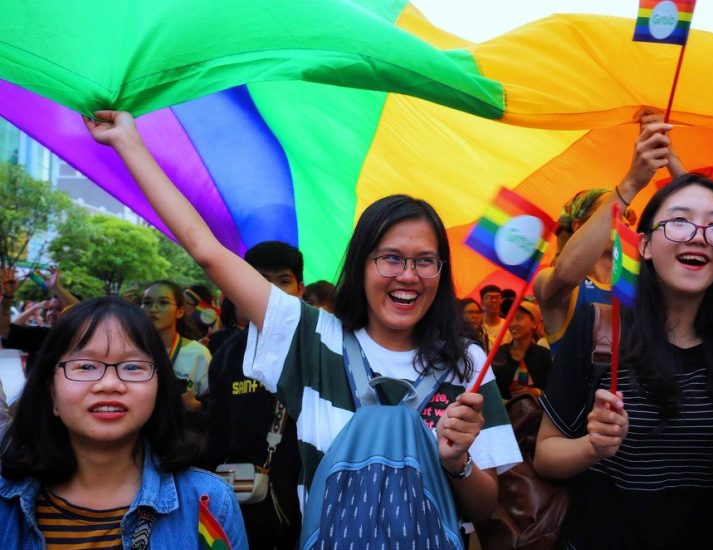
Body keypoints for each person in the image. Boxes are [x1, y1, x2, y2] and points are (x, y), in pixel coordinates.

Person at [85, 110, 520, 541]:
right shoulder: (313, 337)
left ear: (441, 272)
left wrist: (458, 461)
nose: (407, 275)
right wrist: (129, 142)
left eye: (425, 261)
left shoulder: (467, 365)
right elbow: (207, 251)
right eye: (390, 257)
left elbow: (483, 506)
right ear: (361, 266)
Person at [534, 174, 713, 549]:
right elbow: (546, 456)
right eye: (679, 221)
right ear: (643, 245)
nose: (698, 235)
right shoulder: (602, 329)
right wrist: (592, 445)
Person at [0, 297, 247, 548]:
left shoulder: (210, 502)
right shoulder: (6, 505)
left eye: (132, 366)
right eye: (85, 365)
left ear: (159, 389)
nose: (110, 384)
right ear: (51, 392)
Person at [533, 117, 684, 358]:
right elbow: (566, 272)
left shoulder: (642, 280)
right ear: (579, 226)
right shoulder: (548, 282)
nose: (625, 221)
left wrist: (671, 158)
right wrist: (631, 183)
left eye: (628, 215)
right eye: (614, 212)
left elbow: (699, 224)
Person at [205, 240, 305, 549]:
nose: (271, 291)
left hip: (309, 499)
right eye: (260, 280)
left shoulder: (321, 349)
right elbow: (216, 433)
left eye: (283, 281)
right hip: (243, 499)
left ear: (300, 289)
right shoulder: (227, 355)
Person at [140, 280, 211, 413]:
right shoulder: (130, 350)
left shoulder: (198, 353)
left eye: (163, 303)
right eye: (147, 303)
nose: (153, 309)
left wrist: (196, 406)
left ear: (180, 311)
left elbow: (214, 404)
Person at [1, 266, 79, 373]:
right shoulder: (42, 335)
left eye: (59, 309)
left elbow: (81, 313)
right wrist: (7, 297)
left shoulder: (81, 338)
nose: (51, 313)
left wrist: (56, 287)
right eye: (50, 308)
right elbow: (6, 329)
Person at [492, 299, 550, 400]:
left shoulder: (544, 356)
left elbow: (554, 391)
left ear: (534, 323)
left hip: (537, 413)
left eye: (518, 318)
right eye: (510, 319)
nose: (512, 324)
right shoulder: (499, 353)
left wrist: (536, 392)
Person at [480, 284, 511, 349]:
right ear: (482, 303)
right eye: (489, 297)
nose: (494, 301)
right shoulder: (477, 326)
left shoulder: (509, 326)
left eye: (497, 297)